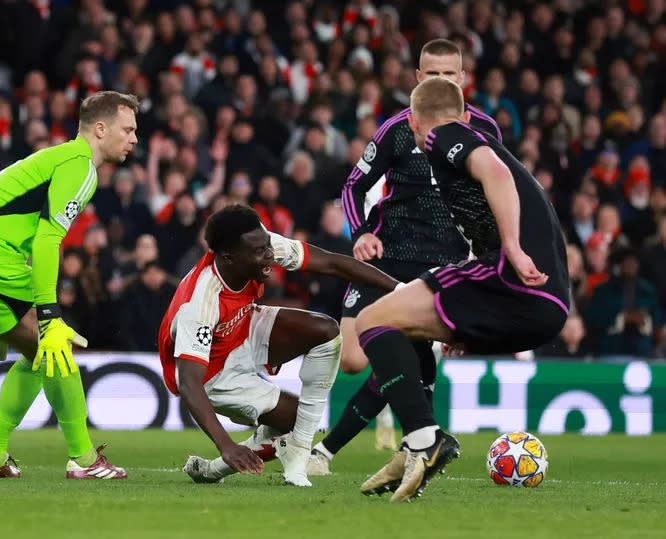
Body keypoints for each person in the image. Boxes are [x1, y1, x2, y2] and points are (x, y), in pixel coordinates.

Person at [356, 77, 568, 503]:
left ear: (414, 122)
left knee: (371, 320)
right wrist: (464, 319)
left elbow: (495, 171)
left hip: (512, 280)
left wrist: (511, 248)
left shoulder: (441, 136)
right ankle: (413, 448)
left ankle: (423, 438)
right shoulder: (468, 138)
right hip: (546, 305)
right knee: (405, 327)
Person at [310, 39, 502, 474]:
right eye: (431, 74)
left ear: (463, 78)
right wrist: (360, 234)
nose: (440, 82)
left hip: (442, 265)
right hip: (387, 254)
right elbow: (352, 186)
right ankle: (420, 437)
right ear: (417, 78)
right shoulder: (398, 128)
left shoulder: (485, 132)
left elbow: (494, 205)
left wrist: (480, 276)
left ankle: (335, 452)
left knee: (398, 348)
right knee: (356, 360)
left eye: (448, 74)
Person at [0, 91, 139, 479]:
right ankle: (85, 459)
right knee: (58, 347)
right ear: (100, 128)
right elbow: (46, 241)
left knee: (36, 353)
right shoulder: (79, 165)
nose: (134, 139)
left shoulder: (56, 159)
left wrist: (0, 317)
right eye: (127, 130)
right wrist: (48, 314)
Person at [158, 205, 397, 487]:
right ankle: (218, 468)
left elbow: (332, 263)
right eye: (260, 252)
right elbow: (188, 383)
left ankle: (299, 452)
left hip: (241, 326)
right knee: (297, 419)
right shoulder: (199, 304)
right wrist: (226, 444)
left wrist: (400, 290)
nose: (270, 255)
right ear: (229, 258)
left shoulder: (261, 245)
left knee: (327, 331)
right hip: (213, 373)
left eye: (268, 245)